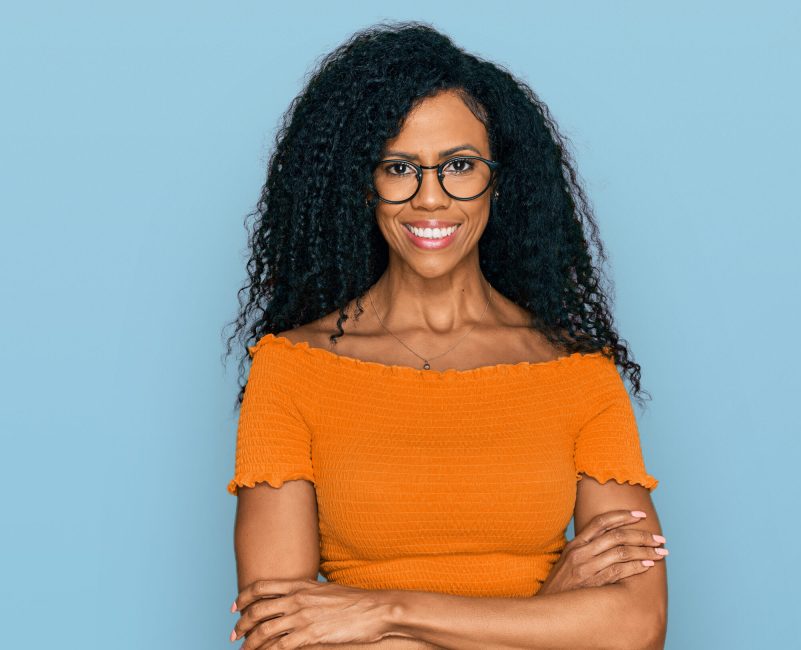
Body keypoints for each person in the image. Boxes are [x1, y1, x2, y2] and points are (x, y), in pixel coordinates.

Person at [224, 20, 668, 649]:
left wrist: (385, 612)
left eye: (460, 165)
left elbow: (637, 628)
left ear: (500, 180)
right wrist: (550, 611)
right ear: (363, 184)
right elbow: (278, 635)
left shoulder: (578, 373)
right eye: (399, 167)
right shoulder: (293, 368)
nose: (430, 198)